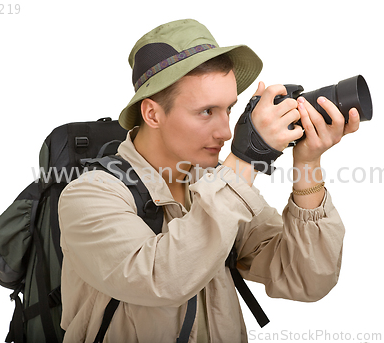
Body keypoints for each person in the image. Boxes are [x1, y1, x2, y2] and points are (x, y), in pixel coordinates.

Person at [58, 19, 360, 342]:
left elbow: (306, 277)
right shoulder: (88, 197)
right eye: (206, 112)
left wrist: (307, 162)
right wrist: (246, 158)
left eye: (229, 109)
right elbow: (164, 277)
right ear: (152, 114)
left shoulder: (215, 182)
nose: (226, 132)